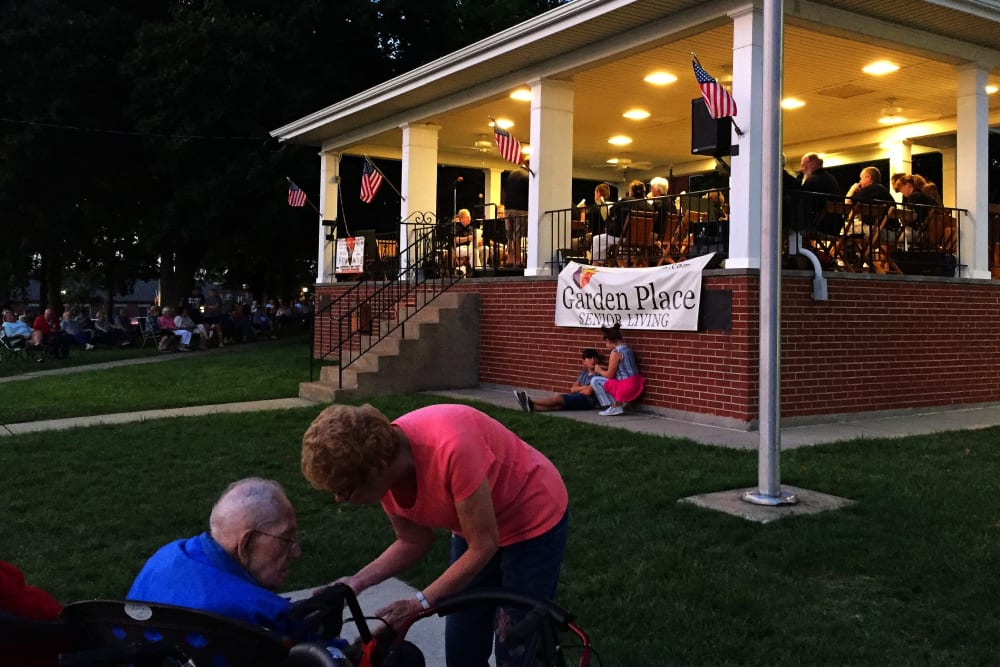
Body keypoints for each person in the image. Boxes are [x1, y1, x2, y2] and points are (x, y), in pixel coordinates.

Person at [301, 403, 569, 667]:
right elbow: (412, 540)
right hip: (477, 528)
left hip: (531, 518)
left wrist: (417, 604)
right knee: (462, 647)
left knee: (516, 646)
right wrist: (354, 584)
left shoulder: (450, 447)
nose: (338, 498)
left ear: (378, 468)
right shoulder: (383, 467)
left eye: (345, 489)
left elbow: (484, 544)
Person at [127, 478, 303, 636]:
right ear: (246, 544)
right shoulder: (260, 612)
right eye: (286, 539)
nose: (296, 552)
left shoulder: (165, 556)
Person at [513, 348, 600, 412]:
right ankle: (531, 408)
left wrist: (582, 389)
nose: (593, 361)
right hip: (580, 398)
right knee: (559, 406)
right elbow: (573, 389)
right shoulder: (584, 373)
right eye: (589, 358)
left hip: (589, 401)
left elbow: (588, 392)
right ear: (584, 362)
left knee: (559, 398)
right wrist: (584, 387)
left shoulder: (598, 373)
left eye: (594, 358)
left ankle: (530, 401)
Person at [590, 323, 645, 416]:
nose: (606, 345)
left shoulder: (615, 353)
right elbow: (622, 368)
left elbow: (610, 375)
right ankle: (617, 404)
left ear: (609, 340)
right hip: (635, 383)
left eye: (606, 342)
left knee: (595, 380)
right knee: (605, 378)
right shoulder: (627, 349)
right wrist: (604, 368)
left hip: (626, 387)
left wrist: (599, 370)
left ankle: (614, 406)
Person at [799, 152, 843, 236]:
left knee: (791, 230)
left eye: (803, 165)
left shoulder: (813, 180)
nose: (802, 169)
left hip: (819, 227)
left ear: (812, 164)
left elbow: (803, 205)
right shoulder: (830, 178)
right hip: (834, 227)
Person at [502, 168, 529, 268]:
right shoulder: (527, 177)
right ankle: (517, 260)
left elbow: (504, 189)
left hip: (508, 207)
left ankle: (510, 258)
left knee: (509, 233)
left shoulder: (511, 175)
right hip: (521, 208)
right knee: (518, 235)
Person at [587, 182, 617, 263]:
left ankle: (593, 262)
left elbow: (592, 227)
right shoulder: (613, 206)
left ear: (598, 193)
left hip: (600, 237)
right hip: (613, 235)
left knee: (588, 238)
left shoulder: (595, 209)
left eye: (594, 193)